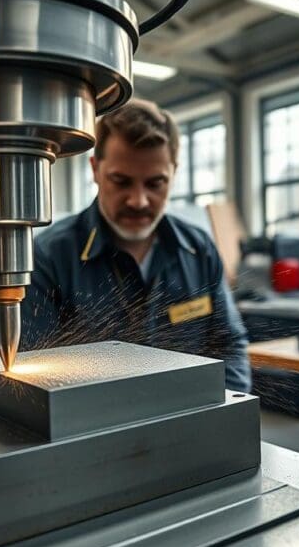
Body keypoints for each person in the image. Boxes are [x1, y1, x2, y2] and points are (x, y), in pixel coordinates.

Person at [20, 99, 251, 392]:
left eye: (155, 183)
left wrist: (226, 411)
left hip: (191, 417)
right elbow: (36, 377)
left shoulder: (199, 249)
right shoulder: (48, 257)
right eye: (121, 181)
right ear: (95, 169)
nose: (138, 201)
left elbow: (229, 345)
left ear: (174, 173)